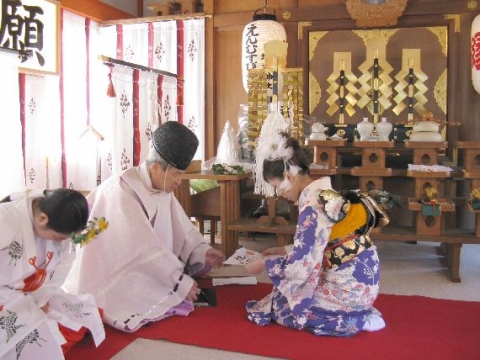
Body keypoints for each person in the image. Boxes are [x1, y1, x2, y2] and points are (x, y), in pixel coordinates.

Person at [64, 121, 225, 333]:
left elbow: (182, 229)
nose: (179, 181)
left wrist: (202, 251)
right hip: (108, 274)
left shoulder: (161, 186)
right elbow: (142, 248)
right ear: (156, 168)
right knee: (165, 296)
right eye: (177, 174)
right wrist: (177, 280)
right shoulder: (122, 192)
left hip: (144, 264)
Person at [245, 131, 388, 337]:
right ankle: (358, 311)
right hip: (363, 278)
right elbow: (320, 243)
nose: (278, 193)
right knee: (281, 296)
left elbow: (302, 268)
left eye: (276, 186)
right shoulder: (322, 193)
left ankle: (355, 319)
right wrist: (284, 250)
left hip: (349, 289)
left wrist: (264, 265)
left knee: (283, 308)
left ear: (288, 177)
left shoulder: (313, 206)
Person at [0, 189, 105, 359]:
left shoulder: (55, 219)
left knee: (83, 317)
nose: (62, 243)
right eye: (58, 238)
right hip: (5, 296)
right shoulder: (4, 222)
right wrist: (26, 303)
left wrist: (41, 298)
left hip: (36, 291)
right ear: (42, 219)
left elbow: (61, 268)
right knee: (32, 340)